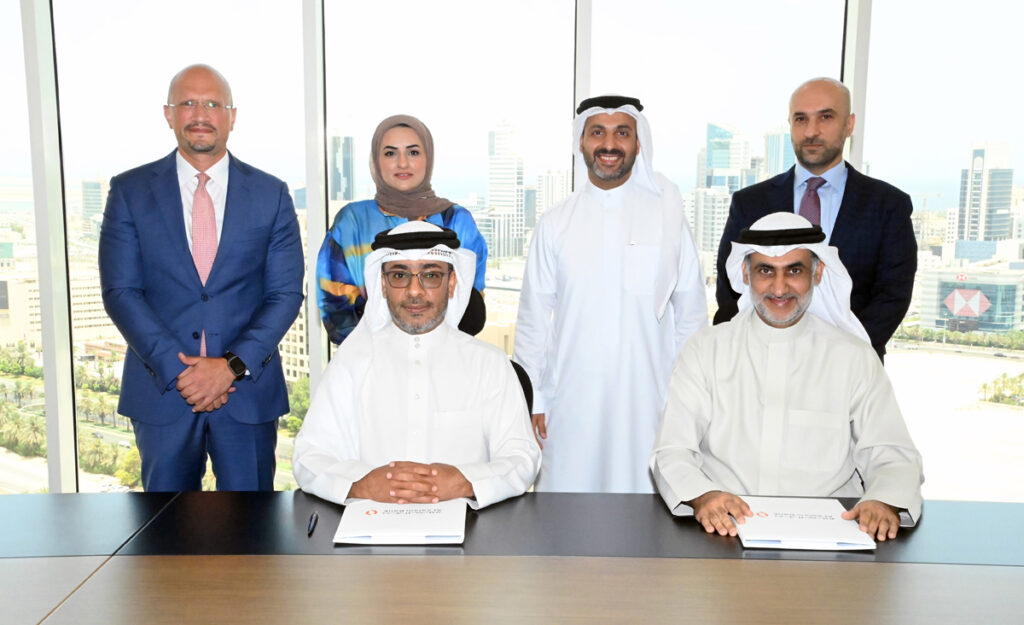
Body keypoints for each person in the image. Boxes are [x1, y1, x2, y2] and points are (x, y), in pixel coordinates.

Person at [652, 212, 923, 542]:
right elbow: (673, 450)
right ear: (745, 274)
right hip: (724, 529)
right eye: (765, 270)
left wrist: (882, 500)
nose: (779, 288)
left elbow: (891, 453)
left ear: (818, 273)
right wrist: (703, 496)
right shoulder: (706, 350)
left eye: (794, 270)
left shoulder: (853, 357)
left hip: (831, 533)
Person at [99, 64, 304, 491]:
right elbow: (121, 292)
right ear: (168, 113)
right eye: (188, 103)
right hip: (163, 393)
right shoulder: (129, 191)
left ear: (232, 116)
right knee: (166, 527)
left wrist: (230, 367)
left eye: (212, 104)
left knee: (252, 526)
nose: (200, 114)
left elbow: (284, 294)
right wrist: (184, 375)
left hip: (247, 394)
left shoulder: (271, 194)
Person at [514, 95, 707, 493]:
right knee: (566, 506)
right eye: (597, 132)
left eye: (622, 133)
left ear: (638, 143)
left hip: (649, 398)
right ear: (581, 142)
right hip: (570, 398)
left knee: (644, 508)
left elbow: (690, 315)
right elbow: (534, 318)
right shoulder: (555, 223)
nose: (609, 144)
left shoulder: (667, 217)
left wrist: (684, 401)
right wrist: (534, 400)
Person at [294, 222, 539, 508]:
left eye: (431, 275)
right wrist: (361, 484)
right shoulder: (351, 363)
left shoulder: (490, 364)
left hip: (469, 525)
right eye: (399, 275)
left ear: (452, 283)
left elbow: (522, 456)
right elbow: (308, 456)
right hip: (369, 523)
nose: (414, 291)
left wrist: (466, 481)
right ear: (383, 285)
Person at [714, 77, 917, 360]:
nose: (811, 131)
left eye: (826, 117)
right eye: (801, 119)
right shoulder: (750, 202)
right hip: (761, 364)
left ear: (849, 125)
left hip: (850, 367)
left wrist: (839, 358)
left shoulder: (888, 205)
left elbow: (892, 296)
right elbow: (730, 290)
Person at [316, 115, 488, 345]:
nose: (403, 163)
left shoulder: (456, 220)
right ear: (376, 160)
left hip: (446, 358)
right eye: (390, 153)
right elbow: (335, 307)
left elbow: (470, 308)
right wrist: (389, 353)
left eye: (413, 152)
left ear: (428, 158)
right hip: (371, 359)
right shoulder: (352, 221)